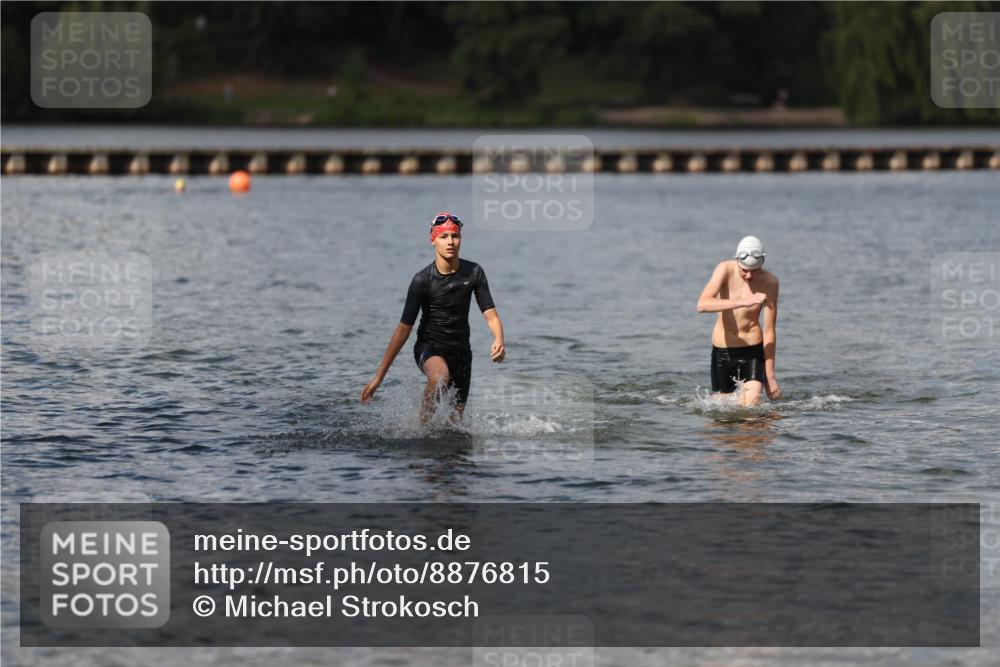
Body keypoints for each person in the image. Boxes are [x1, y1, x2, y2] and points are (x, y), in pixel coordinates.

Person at [361, 212, 505, 419]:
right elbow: (403, 330)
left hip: (462, 354)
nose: (450, 242)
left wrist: (499, 339)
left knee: (455, 422)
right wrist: (379, 377)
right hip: (429, 348)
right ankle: (422, 427)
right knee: (439, 377)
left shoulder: (474, 272)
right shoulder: (422, 280)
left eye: (455, 236)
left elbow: (490, 314)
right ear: (433, 240)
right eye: (444, 236)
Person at [696, 235, 781, 406]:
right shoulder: (724, 269)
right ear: (737, 261)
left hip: (752, 352)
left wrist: (770, 375)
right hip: (723, 352)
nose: (749, 275)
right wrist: (743, 301)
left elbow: (769, 330)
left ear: (762, 263)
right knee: (723, 417)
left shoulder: (771, 282)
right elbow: (702, 305)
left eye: (754, 270)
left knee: (750, 405)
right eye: (744, 270)